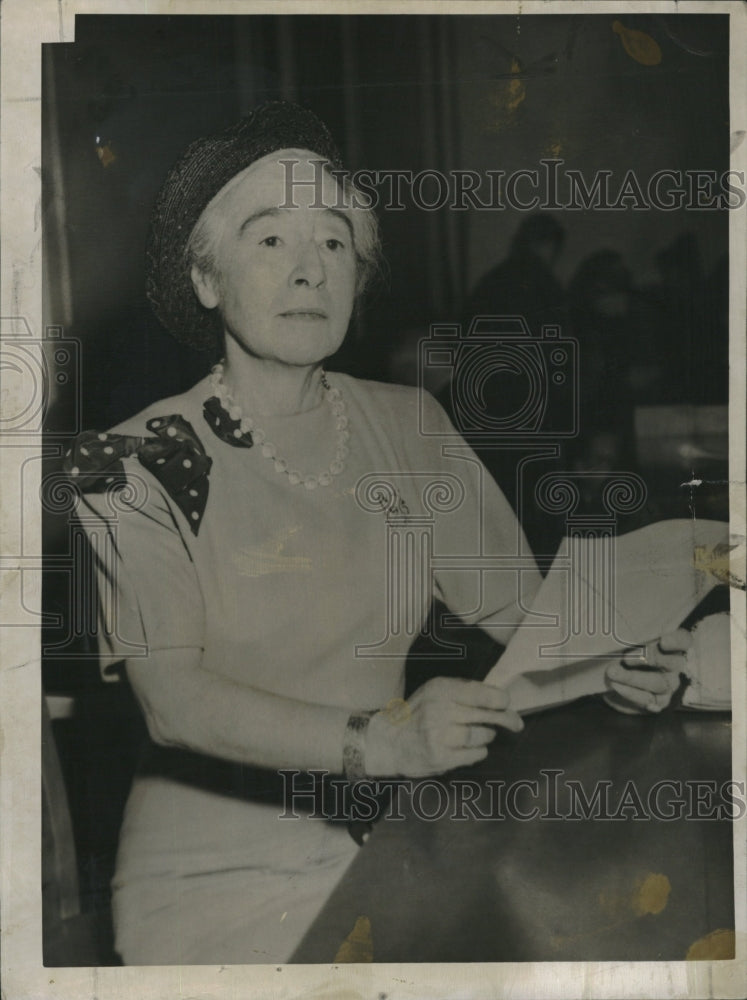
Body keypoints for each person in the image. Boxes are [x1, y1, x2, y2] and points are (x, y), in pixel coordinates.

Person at [64, 102, 690, 965]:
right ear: (206, 279)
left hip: (400, 839)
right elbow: (174, 704)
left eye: (332, 243)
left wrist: (613, 665)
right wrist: (383, 742)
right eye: (270, 240)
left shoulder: (411, 424)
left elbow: (528, 623)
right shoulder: (131, 460)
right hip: (213, 878)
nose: (309, 271)